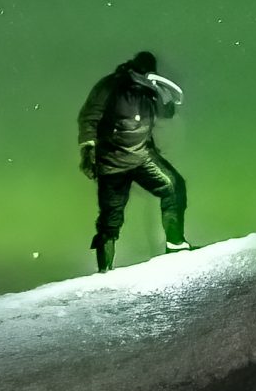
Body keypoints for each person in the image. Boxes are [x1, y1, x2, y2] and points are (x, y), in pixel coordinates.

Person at [77, 50, 190, 270]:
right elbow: (90, 116)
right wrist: (88, 149)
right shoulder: (111, 85)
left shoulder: (149, 90)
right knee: (110, 220)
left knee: (173, 186)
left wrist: (167, 99)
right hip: (112, 162)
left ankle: (176, 244)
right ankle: (104, 270)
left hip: (142, 157)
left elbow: (165, 113)